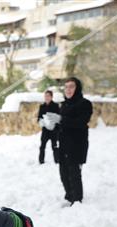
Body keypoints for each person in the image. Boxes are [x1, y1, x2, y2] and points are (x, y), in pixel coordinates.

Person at [58, 77, 92, 206]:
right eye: (66, 87)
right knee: (63, 173)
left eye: (71, 86)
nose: (68, 89)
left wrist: (61, 119)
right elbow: (61, 125)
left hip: (77, 144)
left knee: (74, 173)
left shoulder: (85, 103)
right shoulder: (63, 104)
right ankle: (69, 196)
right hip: (63, 144)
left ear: (77, 88)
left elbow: (81, 122)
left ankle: (77, 199)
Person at [37, 90, 60, 164]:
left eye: (48, 96)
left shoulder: (56, 106)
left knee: (54, 146)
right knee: (42, 146)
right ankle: (41, 161)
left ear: (51, 97)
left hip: (54, 130)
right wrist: (41, 121)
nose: (46, 97)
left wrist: (54, 124)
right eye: (45, 96)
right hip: (45, 130)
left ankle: (57, 160)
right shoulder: (42, 106)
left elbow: (59, 118)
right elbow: (39, 117)